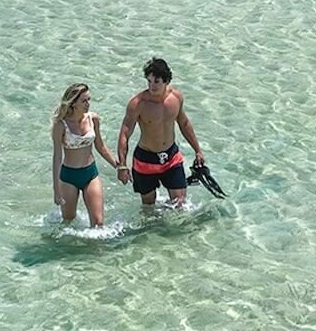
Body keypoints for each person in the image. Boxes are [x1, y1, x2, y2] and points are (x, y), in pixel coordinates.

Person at [116, 57, 205, 207]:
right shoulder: (138, 104)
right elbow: (125, 133)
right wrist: (122, 165)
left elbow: (184, 123)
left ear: (166, 81)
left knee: (180, 204)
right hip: (145, 160)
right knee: (149, 208)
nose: (152, 86)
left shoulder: (176, 98)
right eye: (149, 81)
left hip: (171, 157)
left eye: (156, 81)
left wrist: (198, 150)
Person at [51, 83, 120, 226]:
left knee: (98, 222)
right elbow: (57, 157)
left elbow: (100, 146)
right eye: (84, 101)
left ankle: (97, 248)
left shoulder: (93, 119)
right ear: (73, 103)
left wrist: (119, 166)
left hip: (90, 173)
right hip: (69, 176)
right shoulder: (60, 125)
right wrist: (56, 189)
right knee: (68, 222)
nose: (88, 104)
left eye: (89, 99)